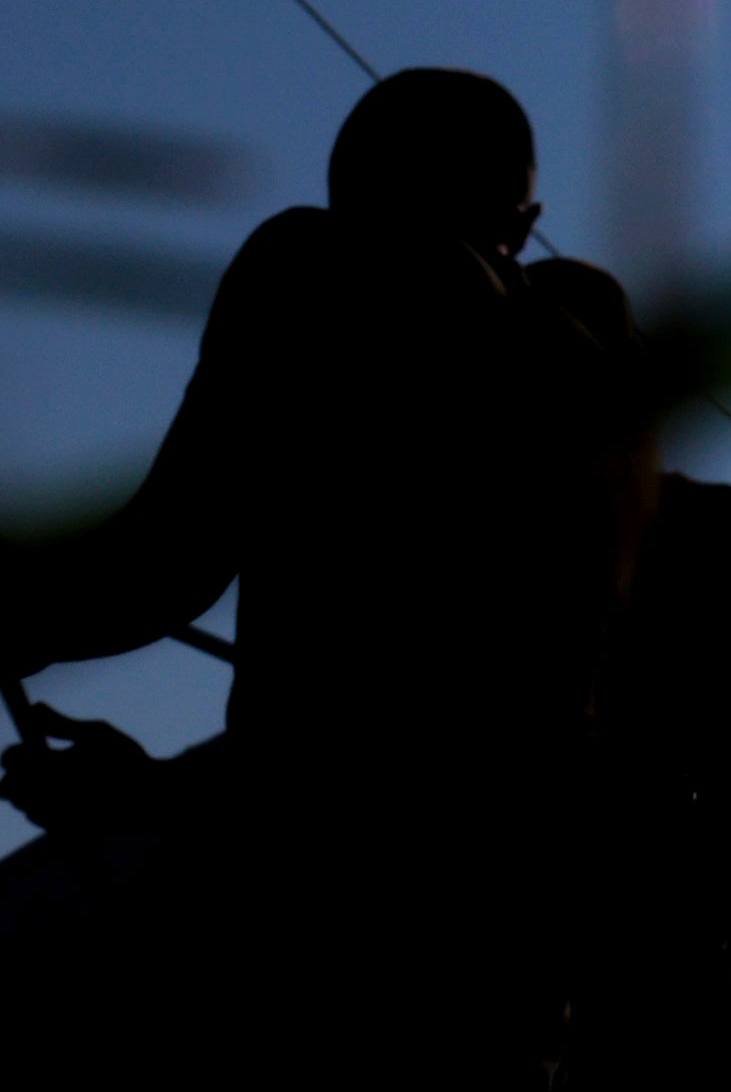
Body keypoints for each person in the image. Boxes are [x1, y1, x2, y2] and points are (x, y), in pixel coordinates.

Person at [0, 64, 644, 783]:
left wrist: (22, 617)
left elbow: (171, 554)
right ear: (522, 223)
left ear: (352, 175)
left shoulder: (315, 264)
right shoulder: (589, 377)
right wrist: (154, 793)